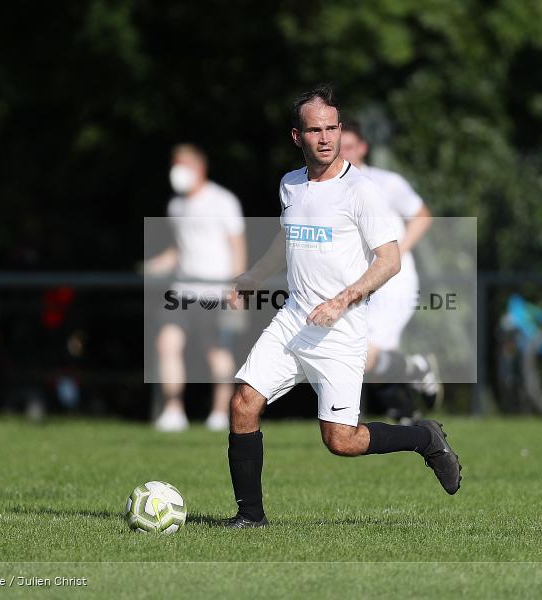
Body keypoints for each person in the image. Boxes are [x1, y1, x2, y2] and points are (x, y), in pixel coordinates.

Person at [223, 85, 461, 528]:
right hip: (293, 320)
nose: (327, 138)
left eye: (332, 128)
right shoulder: (290, 185)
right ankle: (250, 517)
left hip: (341, 328)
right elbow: (286, 238)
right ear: (298, 137)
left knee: (341, 441)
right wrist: (254, 275)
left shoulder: (362, 191)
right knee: (242, 403)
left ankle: (423, 438)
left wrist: (341, 300)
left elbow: (388, 260)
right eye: (316, 130)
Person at [339, 121, 442, 422]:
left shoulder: (386, 183)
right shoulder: (332, 188)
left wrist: (396, 253)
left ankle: (416, 368)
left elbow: (422, 216)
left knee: (363, 355)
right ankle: (407, 414)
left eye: (349, 146)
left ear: (362, 148)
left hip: (393, 282)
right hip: (359, 282)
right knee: (371, 354)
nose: (342, 153)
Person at [145, 144, 246, 432]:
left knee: (217, 352)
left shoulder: (222, 201)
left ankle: (219, 415)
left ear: (199, 168)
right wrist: (151, 266)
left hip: (216, 290)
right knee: (167, 344)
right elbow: (179, 251)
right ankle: (173, 412)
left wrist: (237, 288)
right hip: (182, 291)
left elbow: (237, 245)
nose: (176, 171)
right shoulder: (176, 205)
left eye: (183, 164)